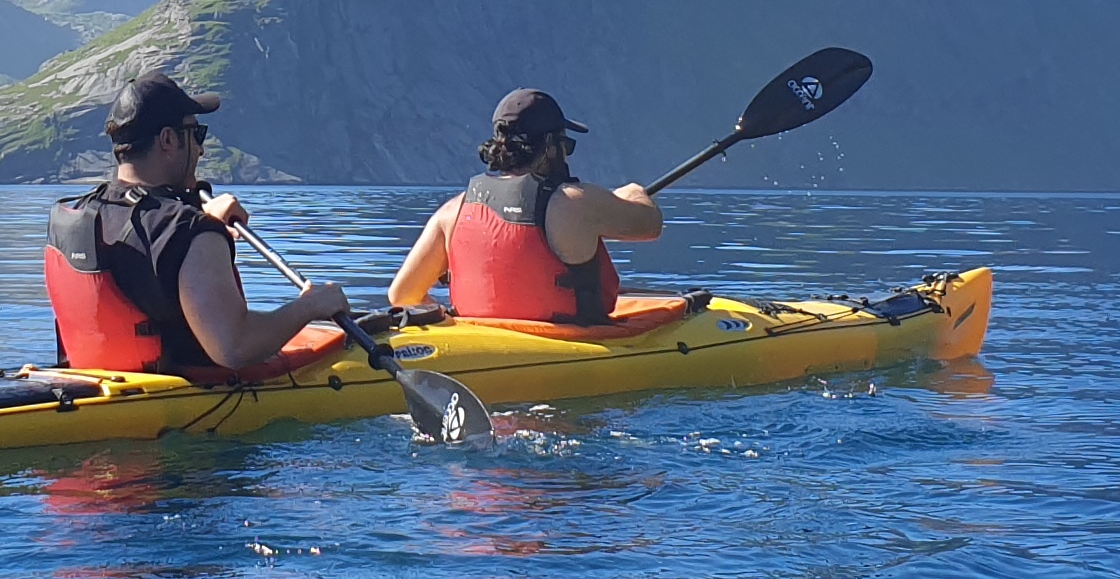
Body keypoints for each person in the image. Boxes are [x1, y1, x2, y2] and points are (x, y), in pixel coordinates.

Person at [42, 71, 354, 377]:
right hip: (191, 413)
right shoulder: (192, 232)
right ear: (167, 139)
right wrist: (310, 307)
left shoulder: (81, 213)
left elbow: (147, 230)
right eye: (196, 134)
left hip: (92, 388)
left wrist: (195, 208)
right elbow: (235, 347)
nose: (201, 149)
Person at [387, 87, 666, 323]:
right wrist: (633, 191)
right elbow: (651, 224)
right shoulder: (574, 202)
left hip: (481, 344)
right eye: (565, 145)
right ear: (549, 146)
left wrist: (446, 320)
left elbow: (402, 295)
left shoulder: (454, 211)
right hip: (572, 349)